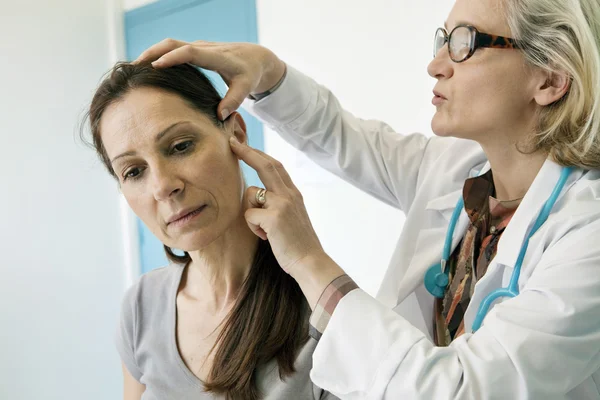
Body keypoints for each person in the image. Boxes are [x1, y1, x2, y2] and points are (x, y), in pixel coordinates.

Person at [133, 0, 600, 398]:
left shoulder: (587, 234)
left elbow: (459, 390)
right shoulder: (453, 170)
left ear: (549, 80)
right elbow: (340, 136)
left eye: (465, 43)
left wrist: (308, 260)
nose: (437, 64)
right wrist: (267, 71)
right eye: (442, 41)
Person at [84, 62, 338, 400]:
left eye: (180, 146)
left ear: (236, 134)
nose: (163, 186)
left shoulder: (323, 314)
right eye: (133, 171)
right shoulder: (141, 307)